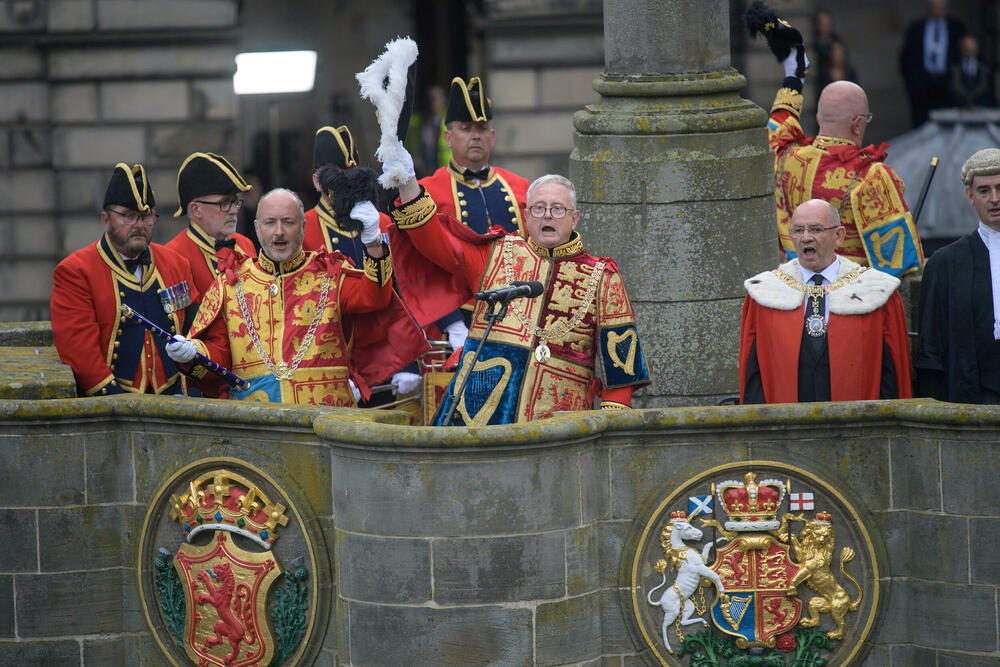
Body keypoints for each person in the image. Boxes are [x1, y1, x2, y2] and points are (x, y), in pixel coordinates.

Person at [388, 171, 651, 425]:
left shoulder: (602, 275)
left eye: (558, 209)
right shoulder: (496, 253)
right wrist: (406, 180)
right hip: (481, 419)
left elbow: (622, 371)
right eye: (538, 208)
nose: (547, 215)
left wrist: (610, 436)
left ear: (575, 218)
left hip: (561, 428)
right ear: (526, 216)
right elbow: (435, 241)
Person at [165, 188, 426, 406]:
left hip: (326, 423)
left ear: (302, 227)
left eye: (288, 222)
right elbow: (220, 354)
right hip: (259, 429)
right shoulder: (229, 285)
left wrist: (372, 243)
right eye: (270, 223)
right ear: (256, 228)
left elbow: (375, 297)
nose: (279, 232)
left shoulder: (331, 273)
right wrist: (194, 352)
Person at [390, 76, 531, 353]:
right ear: (448, 137)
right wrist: (452, 322)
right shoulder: (425, 192)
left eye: (482, 128)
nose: (475, 135)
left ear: (492, 136)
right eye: (466, 129)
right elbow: (419, 266)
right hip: (457, 322)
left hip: (520, 316)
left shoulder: (521, 186)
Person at [739, 199, 912, 404]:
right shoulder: (765, 293)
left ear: (838, 236)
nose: (805, 238)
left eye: (816, 229)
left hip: (857, 425)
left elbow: (893, 373)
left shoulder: (876, 290)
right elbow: (753, 375)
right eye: (797, 230)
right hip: (787, 425)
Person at [769, 50, 924, 277]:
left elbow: (776, 125)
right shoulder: (872, 176)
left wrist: (793, 79)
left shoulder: (784, 159)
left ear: (820, 119)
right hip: (848, 300)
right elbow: (898, 262)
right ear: (858, 124)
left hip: (793, 289)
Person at [51, 163, 198, 396]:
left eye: (146, 216)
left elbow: (197, 333)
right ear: (106, 220)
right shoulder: (76, 272)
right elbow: (81, 356)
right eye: (128, 216)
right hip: (113, 406)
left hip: (176, 400)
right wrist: (121, 406)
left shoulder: (177, 264)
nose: (139, 225)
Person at [916, 149, 1000, 403]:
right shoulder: (946, 264)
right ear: (970, 196)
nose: (995, 199)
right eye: (984, 191)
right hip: (973, 397)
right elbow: (931, 350)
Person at [166, 152, 258, 304]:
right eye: (224, 203)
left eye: (235, 202)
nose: (234, 210)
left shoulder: (245, 244)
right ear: (196, 210)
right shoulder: (173, 256)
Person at [900, 0, 965, 127]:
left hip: (947, 82)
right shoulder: (916, 28)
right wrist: (913, 81)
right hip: (922, 83)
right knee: (921, 121)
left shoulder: (956, 27)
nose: (937, 11)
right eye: (934, 7)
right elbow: (906, 57)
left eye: (941, 7)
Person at [949, 35, 993, 108]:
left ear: (976, 49)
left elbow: (987, 89)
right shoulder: (955, 69)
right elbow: (953, 89)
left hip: (981, 109)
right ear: (961, 50)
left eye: (971, 49)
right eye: (966, 49)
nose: (969, 52)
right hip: (958, 108)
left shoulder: (984, 69)